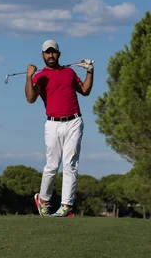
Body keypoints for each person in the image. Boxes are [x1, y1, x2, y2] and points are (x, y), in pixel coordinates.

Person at [25, 39, 94, 217]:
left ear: (59, 54)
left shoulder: (70, 72)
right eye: (47, 52)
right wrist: (29, 77)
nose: (50, 55)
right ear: (42, 55)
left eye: (53, 52)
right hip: (53, 123)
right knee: (52, 165)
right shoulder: (41, 76)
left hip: (74, 121)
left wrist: (89, 71)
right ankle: (44, 200)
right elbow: (31, 98)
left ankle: (66, 206)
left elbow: (85, 90)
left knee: (70, 164)